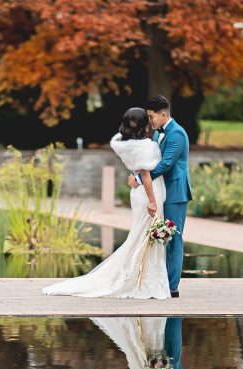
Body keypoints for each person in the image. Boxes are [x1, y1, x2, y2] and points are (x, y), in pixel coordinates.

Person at [42, 107, 169, 299]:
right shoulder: (145, 146)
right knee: (144, 236)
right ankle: (139, 279)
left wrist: (136, 179)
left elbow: (138, 172)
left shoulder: (127, 145)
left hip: (138, 192)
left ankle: (141, 276)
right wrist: (152, 201)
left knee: (141, 235)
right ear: (142, 124)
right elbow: (146, 175)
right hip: (148, 193)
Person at [128, 96, 193, 298]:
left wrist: (139, 179)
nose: (150, 121)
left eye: (152, 117)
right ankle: (156, 281)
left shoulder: (178, 134)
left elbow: (165, 164)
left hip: (175, 192)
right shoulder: (157, 134)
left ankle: (172, 287)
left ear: (164, 114)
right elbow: (151, 161)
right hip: (160, 190)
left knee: (174, 237)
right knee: (156, 235)